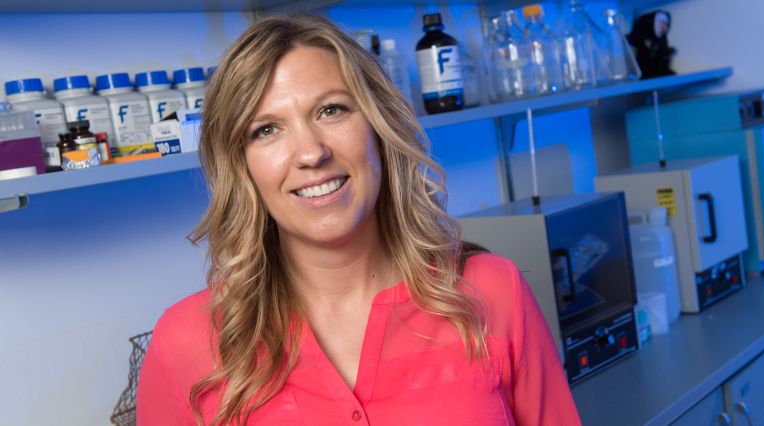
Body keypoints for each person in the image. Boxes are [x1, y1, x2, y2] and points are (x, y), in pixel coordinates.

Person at [136, 14, 581, 426]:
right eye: (265, 130)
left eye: (332, 110)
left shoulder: (490, 293)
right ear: (241, 166)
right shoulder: (185, 343)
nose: (311, 153)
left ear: (379, 128)